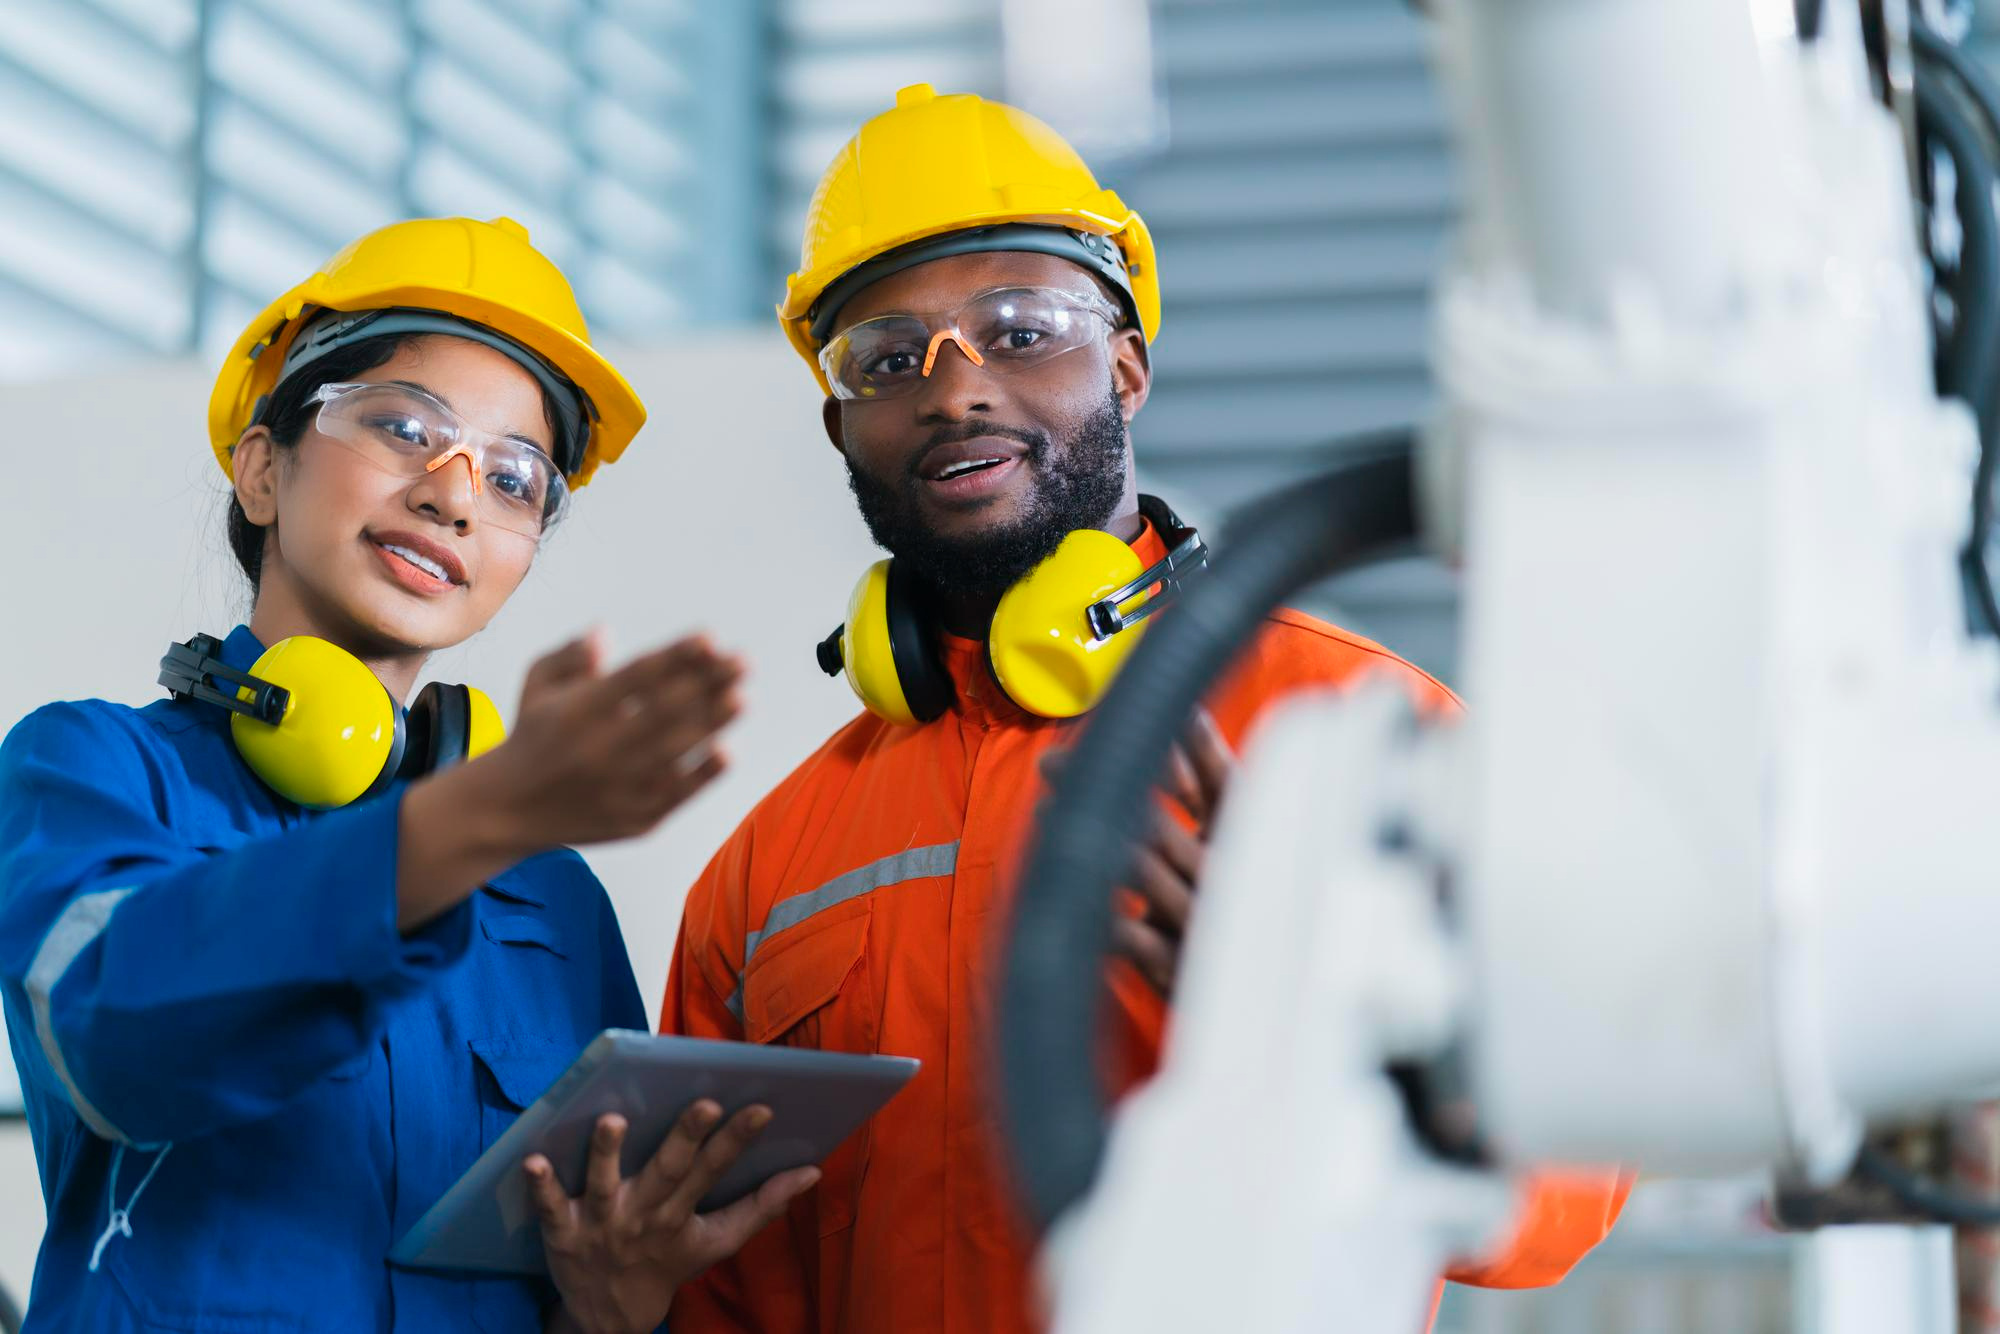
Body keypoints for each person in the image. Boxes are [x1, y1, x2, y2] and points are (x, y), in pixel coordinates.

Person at [659, 87, 1631, 1332]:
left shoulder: (1363, 727)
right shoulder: (768, 864)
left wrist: (1338, 1011)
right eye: (889, 358)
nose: (954, 392)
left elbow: (1565, 1190)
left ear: (1124, 364)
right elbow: (723, 1295)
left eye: (1019, 329)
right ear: (842, 421)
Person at [0, 216, 813, 1332]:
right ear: (261, 469)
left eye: (517, 477)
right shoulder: (90, 768)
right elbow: (109, 1037)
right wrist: (464, 823)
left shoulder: (552, 896)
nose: (454, 492)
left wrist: (615, 1307)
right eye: (402, 426)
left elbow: (583, 1262)